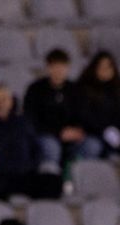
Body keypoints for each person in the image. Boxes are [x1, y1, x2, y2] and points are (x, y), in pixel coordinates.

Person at [25, 49, 90, 180]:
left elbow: (84, 115)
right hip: (46, 135)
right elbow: (31, 120)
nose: (58, 71)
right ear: (48, 68)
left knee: (92, 145)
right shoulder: (35, 89)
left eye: (62, 66)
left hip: (72, 136)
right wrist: (58, 132)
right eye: (54, 66)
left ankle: (80, 180)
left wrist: (78, 130)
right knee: (51, 147)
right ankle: (52, 183)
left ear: (68, 68)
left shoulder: (75, 90)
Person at [0, 84, 44, 201]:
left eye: (3, 99)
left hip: (24, 173)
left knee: (52, 183)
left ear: (11, 101)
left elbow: (37, 149)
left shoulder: (23, 122)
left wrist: (31, 165)